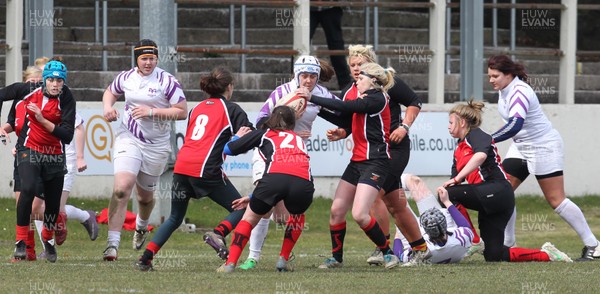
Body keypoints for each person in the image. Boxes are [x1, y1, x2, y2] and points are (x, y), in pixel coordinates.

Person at [135, 67, 253, 271]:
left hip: (181, 167)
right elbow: (247, 139)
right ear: (230, 87)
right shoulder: (231, 109)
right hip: (205, 168)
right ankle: (218, 233)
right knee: (241, 208)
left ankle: (145, 259)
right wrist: (243, 137)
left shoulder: (196, 109)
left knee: (174, 218)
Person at [487, 55, 600, 261]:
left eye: (495, 76)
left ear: (509, 75)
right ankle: (508, 245)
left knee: (556, 200)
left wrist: (489, 139)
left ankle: (594, 245)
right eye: (490, 76)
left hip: (543, 146)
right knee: (504, 190)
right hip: (521, 146)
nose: (491, 80)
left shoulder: (519, 91)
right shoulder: (504, 90)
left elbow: (515, 125)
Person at [236, 55, 342, 270]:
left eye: (314, 76)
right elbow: (260, 122)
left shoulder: (321, 94)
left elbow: (343, 112)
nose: (309, 80)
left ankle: (283, 257)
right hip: (269, 153)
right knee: (263, 208)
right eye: (305, 75)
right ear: (296, 75)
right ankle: (252, 258)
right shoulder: (282, 92)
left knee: (287, 216)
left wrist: (342, 130)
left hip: (296, 156)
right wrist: (286, 132)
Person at [438, 99, 572, 263]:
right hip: (489, 198)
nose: (448, 126)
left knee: (447, 195)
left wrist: (456, 179)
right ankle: (547, 254)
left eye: (451, 122)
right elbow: (455, 182)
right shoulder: (459, 149)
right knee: (493, 255)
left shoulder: (476, 135)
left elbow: (480, 156)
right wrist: (454, 181)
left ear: (463, 122)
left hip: (498, 191)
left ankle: (472, 239)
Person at [333, 44, 429, 267]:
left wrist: (404, 126)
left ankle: (382, 248)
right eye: (353, 65)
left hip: (394, 147)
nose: (357, 69)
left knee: (376, 195)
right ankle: (421, 249)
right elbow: (352, 121)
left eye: (361, 64)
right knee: (395, 203)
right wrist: (342, 132)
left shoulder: (385, 80)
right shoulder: (350, 90)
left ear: (371, 64)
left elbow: (415, 102)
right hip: (374, 151)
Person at [307, 62, 400, 269]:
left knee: (359, 214)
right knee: (337, 210)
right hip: (357, 162)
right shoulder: (364, 99)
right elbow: (344, 118)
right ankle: (336, 258)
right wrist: (316, 108)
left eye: (361, 77)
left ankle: (387, 253)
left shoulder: (377, 98)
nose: (356, 79)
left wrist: (311, 97)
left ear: (373, 81)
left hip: (376, 162)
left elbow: (346, 107)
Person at [102, 39, 187, 261]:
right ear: (136, 59)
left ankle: (141, 227)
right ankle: (112, 244)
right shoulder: (126, 77)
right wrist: (108, 107)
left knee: (145, 198)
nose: (148, 63)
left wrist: (152, 112)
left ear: (157, 59)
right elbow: (110, 92)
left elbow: (182, 111)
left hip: (156, 146)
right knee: (121, 189)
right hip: (128, 137)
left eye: (152, 58)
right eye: (144, 58)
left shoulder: (167, 81)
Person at [216, 106, 314, 273]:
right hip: (304, 182)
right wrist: (253, 196)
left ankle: (230, 264)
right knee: (296, 217)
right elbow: (291, 172)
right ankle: (283, 259)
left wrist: (237, 137)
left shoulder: (265, 134)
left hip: (273, 179)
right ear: (292, 123)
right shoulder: (298, 138)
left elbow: (228, 150)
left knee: (249, 218)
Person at [1, 59, 76, 263]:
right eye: (51, 79)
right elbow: (2, 94)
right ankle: (20, 243)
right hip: (29, 148)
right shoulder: (28, 89)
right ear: (44, 80)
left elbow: (67, 136)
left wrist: (43, 120)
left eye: (59, 80)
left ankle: (48, 238)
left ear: (64, 82)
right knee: (28, 189)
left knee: (52, 205)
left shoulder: (67, 97)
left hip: (54, 153)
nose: (55, 84)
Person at [310, 1, 351, 89]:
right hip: (307, 7)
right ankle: (295, 80)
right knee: (300, 43)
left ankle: (345, 84)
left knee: (336, 44)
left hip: (331, 6)